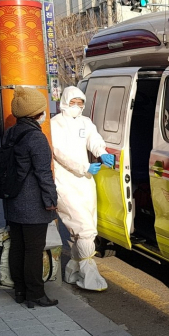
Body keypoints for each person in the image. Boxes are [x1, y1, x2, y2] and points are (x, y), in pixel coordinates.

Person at [51, 86, 114, 291]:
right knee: (85, 229)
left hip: (85, 181)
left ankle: (72, 271)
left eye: (80, 103)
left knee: (83, 229)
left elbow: (93, 140)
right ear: (64, 102)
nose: (77, 107)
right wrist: (83, 166)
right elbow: (59, 153)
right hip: (65, 182)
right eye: (73, 102)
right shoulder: (55, 124)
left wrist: (102, 152)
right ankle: (90, 277)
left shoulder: (86, 122)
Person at [3, 87, 59, 308]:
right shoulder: (36, 137)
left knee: (18, 246)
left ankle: (20, 291)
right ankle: (35, 294)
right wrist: (51, 200)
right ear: (37, 112)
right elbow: (43, 173)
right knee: (34, 250)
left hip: (13, 200)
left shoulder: (11, 133)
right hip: (33, 203)